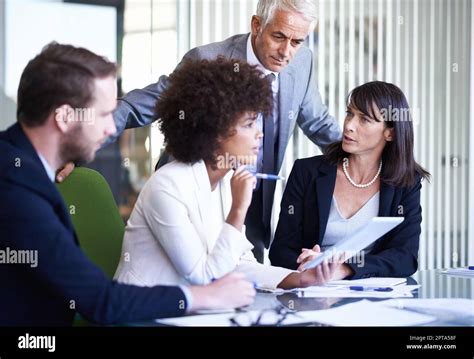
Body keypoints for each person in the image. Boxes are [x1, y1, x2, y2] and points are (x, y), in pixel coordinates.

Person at [57, 0, 342, 263]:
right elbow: (138, 106)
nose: (287, 52)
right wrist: (75, 146)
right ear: (257, 25)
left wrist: (367, 158)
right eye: (278, 37)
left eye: (297, 41)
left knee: (248, 278)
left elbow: (317, 122)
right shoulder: (208, 59)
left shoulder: (302, 61)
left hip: (251, 200)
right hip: (190, 196)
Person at [0, 43, 255, 326]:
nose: (112, 128)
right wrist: (204, 297)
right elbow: (100, 301)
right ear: (63, 117)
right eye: (103, 114)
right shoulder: (16, 189)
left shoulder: (20, 163)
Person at [114, 58, 340, 290]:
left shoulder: (225, 182)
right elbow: (203, 275)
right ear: (215, 131)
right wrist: (239, 209)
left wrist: (301, 278)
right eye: (249, 124)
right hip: (143, 312)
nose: (260, 134)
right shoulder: (168, 186)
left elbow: (238, 263)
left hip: (192, 309)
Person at [269, 81, 431, 279]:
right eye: (349, 113)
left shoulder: (406, 183)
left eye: (364, 119)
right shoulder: (307, 172)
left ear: (390, 132)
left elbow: (405, 258)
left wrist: (344, 268)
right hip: (312, 289)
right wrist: (313, 265)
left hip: (372, 298)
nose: (349, 125)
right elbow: (280, 251)